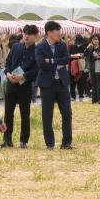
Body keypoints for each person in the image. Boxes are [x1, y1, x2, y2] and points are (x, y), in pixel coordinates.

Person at [35, 21, 73, 149]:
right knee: (47, 115)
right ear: (49, 32)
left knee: (67, 113)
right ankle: (49, 144)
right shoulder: (40, 47)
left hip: (62, 83)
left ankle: (66, 142)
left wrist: (51, 60)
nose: (59, 34)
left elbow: (66, 59)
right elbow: (41, 64)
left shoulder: (62, 45)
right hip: (47, 84)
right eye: (57, 31)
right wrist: (57, 64)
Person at [2, 24, 38, 148]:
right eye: (25, 33)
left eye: (29, 34)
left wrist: (23, 76)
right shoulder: (16, 47)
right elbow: (7, 63)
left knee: (25, 114)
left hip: (25, 85)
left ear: (35, 36)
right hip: (11, 84)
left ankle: (24, 141)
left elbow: (36, 70)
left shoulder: (37, 51)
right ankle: (7, 139)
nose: (26, 36)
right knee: (8, 113)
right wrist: (7, 74)